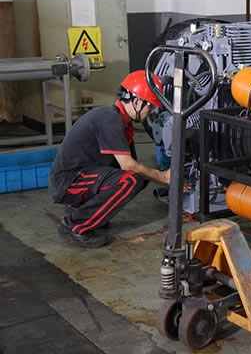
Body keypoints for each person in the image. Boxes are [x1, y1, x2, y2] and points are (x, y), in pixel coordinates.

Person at [49, 70, 170, 248]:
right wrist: (165, 178)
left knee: (141, 175)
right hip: (67, 183)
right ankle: (75, 225)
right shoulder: (109, 119)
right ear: (137, 101)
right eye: (150, 106)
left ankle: (85, 210)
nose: (151, 112)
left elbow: (134, 164)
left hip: (84, 175)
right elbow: (129, 166)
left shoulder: (123, 122)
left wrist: (163, 177)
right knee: (131, 179)